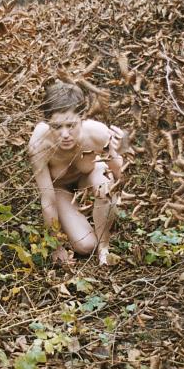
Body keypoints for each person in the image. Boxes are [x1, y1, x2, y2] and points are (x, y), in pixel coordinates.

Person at [28, 81, 125, 265]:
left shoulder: (98, 133)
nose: (65, 134)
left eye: (71, 125)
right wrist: (56, 246)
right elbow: (47, 200)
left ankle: (104, 247)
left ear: (82, 118)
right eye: (57, 127)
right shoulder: (39, 145)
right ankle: (86, 228)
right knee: (85, 246)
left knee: (104, 181)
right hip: (60, 189)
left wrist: (117, 153)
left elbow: (119, 175)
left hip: (89, 177)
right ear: (47, 123)